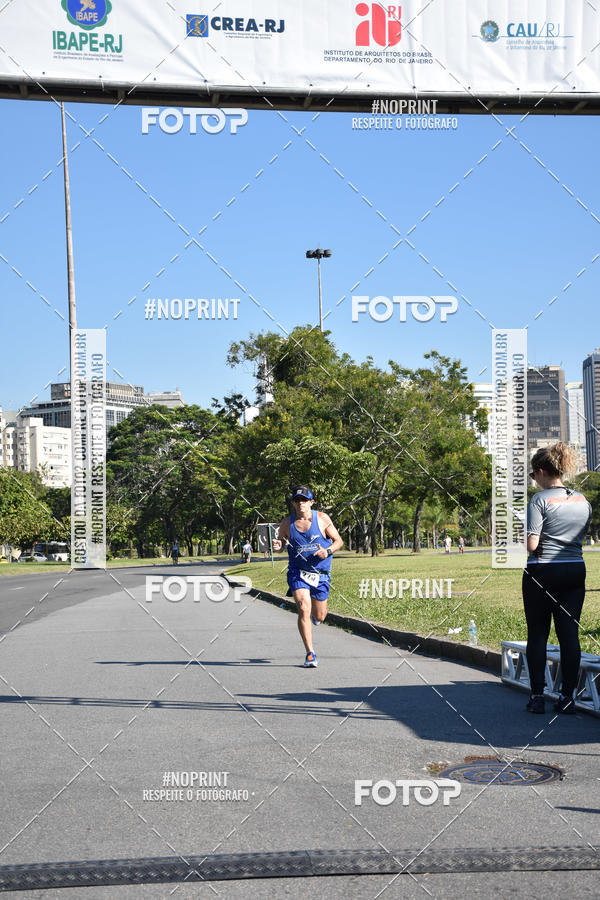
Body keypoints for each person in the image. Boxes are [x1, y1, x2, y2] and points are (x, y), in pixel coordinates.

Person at [523, 443, 592, 715]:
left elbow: (532, 544)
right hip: (575, 570)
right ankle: (567, 698)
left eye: (533, 475)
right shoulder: (582, 501)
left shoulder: (539, 500)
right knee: (569, 634)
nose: (533, 480)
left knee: (538, 634)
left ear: (540, 471)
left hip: (543, 571)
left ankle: (538, 696)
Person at [272, 486, 343, 668]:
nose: (300, 503)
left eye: (304, 500)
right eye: (297, 500)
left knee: (320, 616)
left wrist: (327, 551)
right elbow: (281, 544)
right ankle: (310, 653)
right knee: (303, 607)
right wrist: (278, 545)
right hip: (298, 572)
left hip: (321, 574)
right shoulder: (287, 523)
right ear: (293, 503)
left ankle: (315, 618)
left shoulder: (322, 519)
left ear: (311, 502)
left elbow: (338, 541)